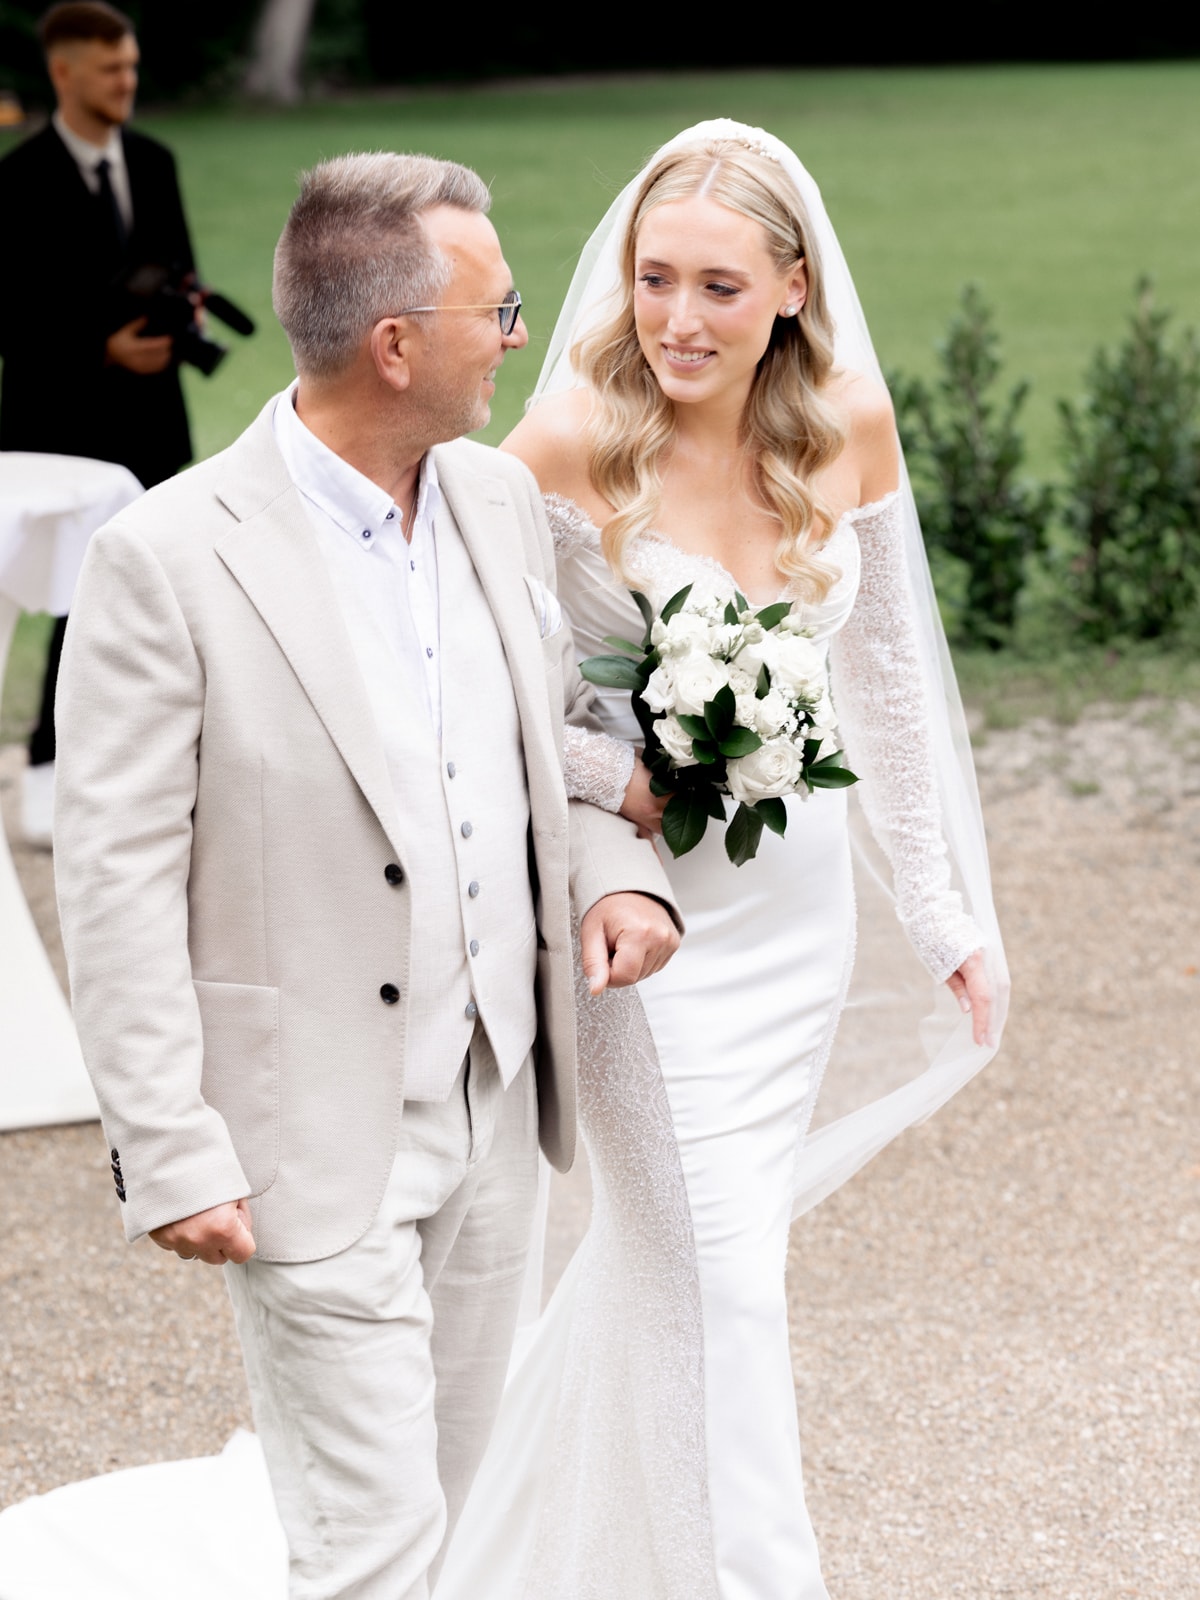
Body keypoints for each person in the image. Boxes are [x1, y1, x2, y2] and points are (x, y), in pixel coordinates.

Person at [51, 150, 680, 1599]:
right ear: (395, 344)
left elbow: (552, 744)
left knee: (448, 1520)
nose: (519, 337)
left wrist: (614, 875)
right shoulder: (164, 558)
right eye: (499, 310)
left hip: (495, 1100)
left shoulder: (495, 502)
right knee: (372, 1552)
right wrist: (169, 1144)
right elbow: (114, 870)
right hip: (308, 1136)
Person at [434, 120, 1010, 1600]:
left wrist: (944, 909)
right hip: (651, 932)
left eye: (720, 288)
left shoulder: (849, 430)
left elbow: (882, 685)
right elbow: (468, 676)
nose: (679, 320)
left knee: (685, 1275)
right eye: (654, 280)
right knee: (722, 1286)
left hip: (796, 929)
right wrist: (618, 774)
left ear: (797, 291)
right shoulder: (561, 440)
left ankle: (567, 1560)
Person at [0, 2, 198, 845]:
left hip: (156, 418)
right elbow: (11, 315)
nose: (127, 82)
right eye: (111, 69)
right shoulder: (16, 178)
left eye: (131, 66)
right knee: (68, 594)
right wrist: (102, 347)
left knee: (167, 588)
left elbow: (181, 267)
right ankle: (46, 766)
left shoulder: (154, 161)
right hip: (58, 421)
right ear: (64, 73)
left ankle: (158, 763)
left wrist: (174, 330)